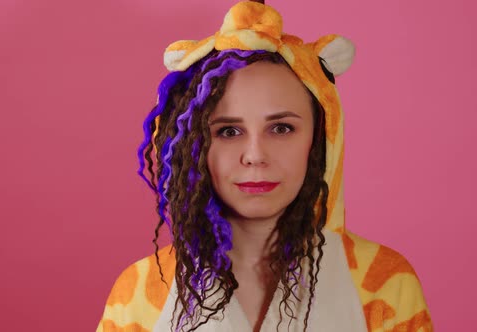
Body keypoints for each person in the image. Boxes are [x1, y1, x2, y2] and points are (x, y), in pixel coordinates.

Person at [97, 1, 433, 331]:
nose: (255, 155)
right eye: (228, 131)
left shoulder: (385, 283)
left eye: (281, 128)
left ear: (320, 139)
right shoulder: (140, 291)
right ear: (194, 146)